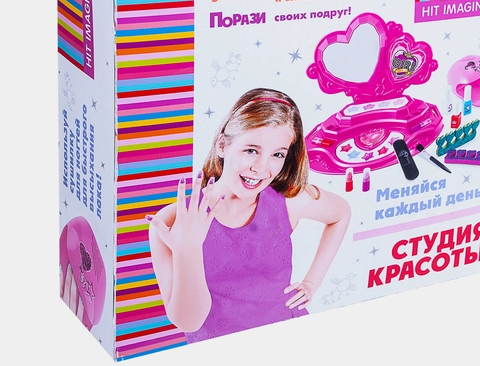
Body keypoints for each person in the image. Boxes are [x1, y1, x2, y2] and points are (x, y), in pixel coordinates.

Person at [147, 88, 351, 343]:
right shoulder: (171, 222)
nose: (261, 167)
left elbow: (341, 213)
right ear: (222, 145)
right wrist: (187, 250)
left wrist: (311, 283)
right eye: (252, 150)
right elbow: (189, 322)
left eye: (277, 154)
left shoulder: (289, 201)